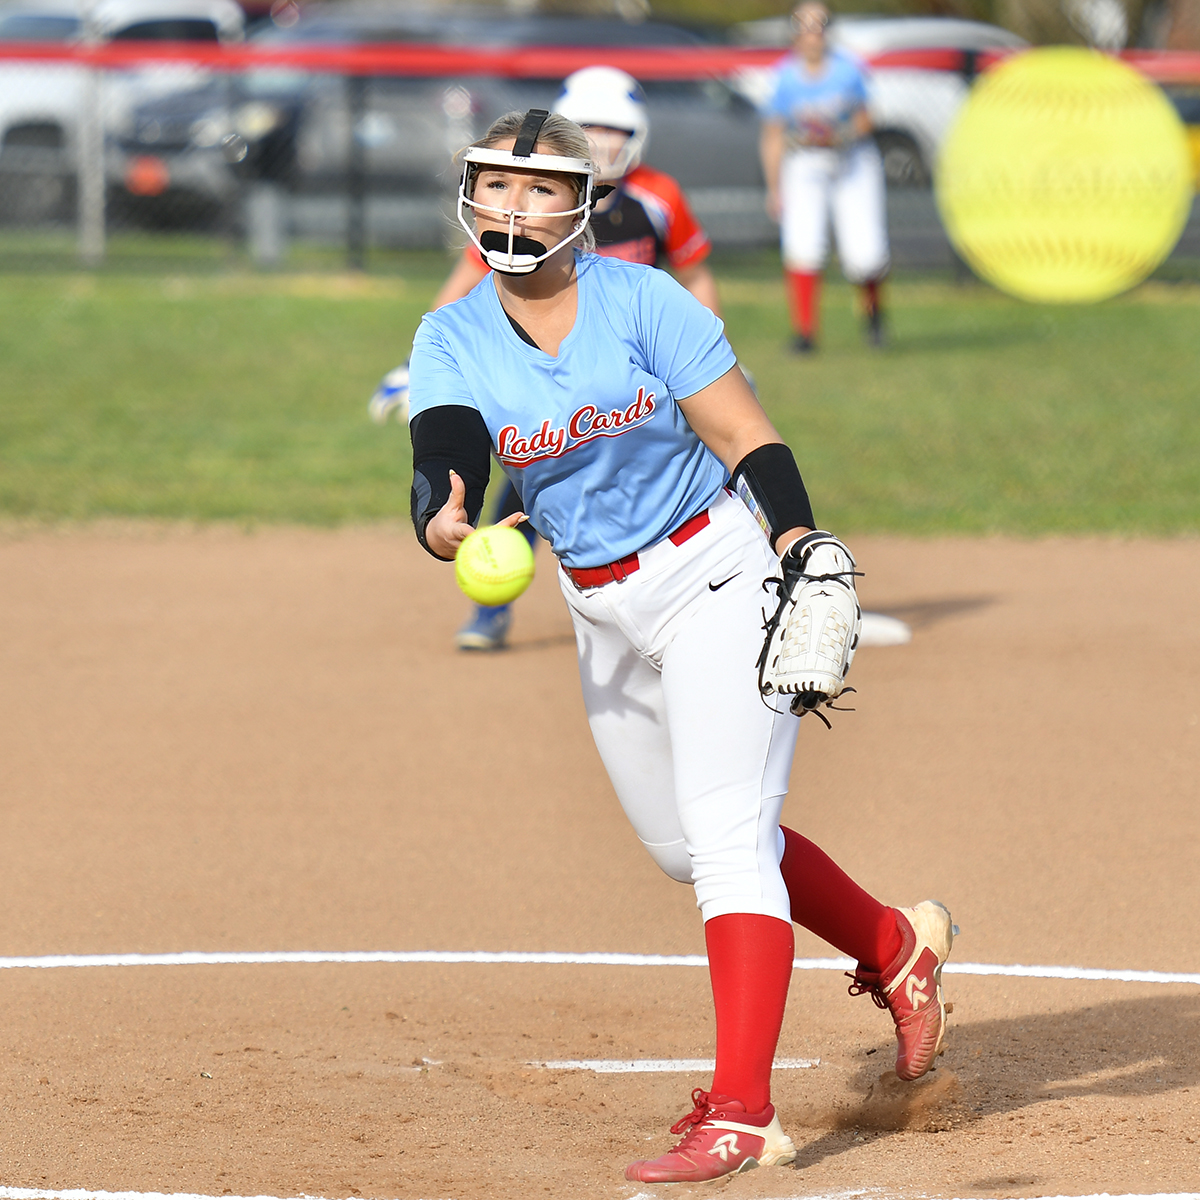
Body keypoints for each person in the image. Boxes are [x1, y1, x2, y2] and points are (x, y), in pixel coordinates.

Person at [406, 106, 955, 1184]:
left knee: (724, 843)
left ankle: (744, 1113)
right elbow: (447, 446)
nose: (512, 207)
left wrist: (798, 541)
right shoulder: (453, 332)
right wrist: (445, 511)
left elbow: (744, 433)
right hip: (598, 604)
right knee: (685, 847)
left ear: (583, 205)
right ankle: (896, 949)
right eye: (495, 187)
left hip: (714, 574)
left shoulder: (643, 301)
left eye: (540, 189)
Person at [372, 66, 724, 651]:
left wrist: (710, 349)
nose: (605, 141)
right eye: (591, 129)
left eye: (616, 129)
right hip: (545, 369)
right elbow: (465, 287)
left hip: (634, 370)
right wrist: (425, 360)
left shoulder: (656, 197)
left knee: (714, 457)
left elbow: (695, 274)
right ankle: (491, 607)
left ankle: (771, 569)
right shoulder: (516, 214)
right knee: (534, 479)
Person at [759, 2, 890, 353]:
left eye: (819, 26)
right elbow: (773, 134)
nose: (811, 35)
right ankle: (805, 333)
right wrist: (774, 188)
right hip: (805, 163)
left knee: (866, 253)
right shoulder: (785, 76)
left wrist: (840, 136)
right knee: (803, 247)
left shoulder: (847, 70)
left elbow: (866, 120)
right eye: (804, 26)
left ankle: (875, 317)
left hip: (851, 159)